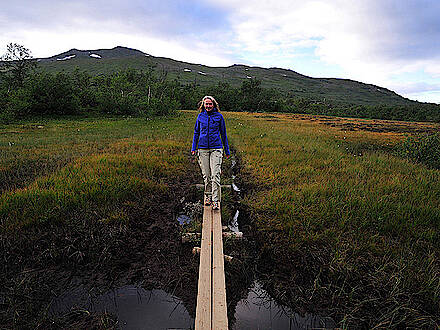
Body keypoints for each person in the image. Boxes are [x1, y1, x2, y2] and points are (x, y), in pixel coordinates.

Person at [191, 96, 230, 210]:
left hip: (216, 148)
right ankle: (207, 196)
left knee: (215, 175)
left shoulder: (219, 117)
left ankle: (216, 200)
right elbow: (196, 132)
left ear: (214, 105)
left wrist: (226, 150)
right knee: (207, 175)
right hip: (202, 149)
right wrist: (194, 147)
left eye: (210, 104)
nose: (208, 106)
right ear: (203, 105)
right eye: (206, 104)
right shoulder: (200, 116)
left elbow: (223, 134)